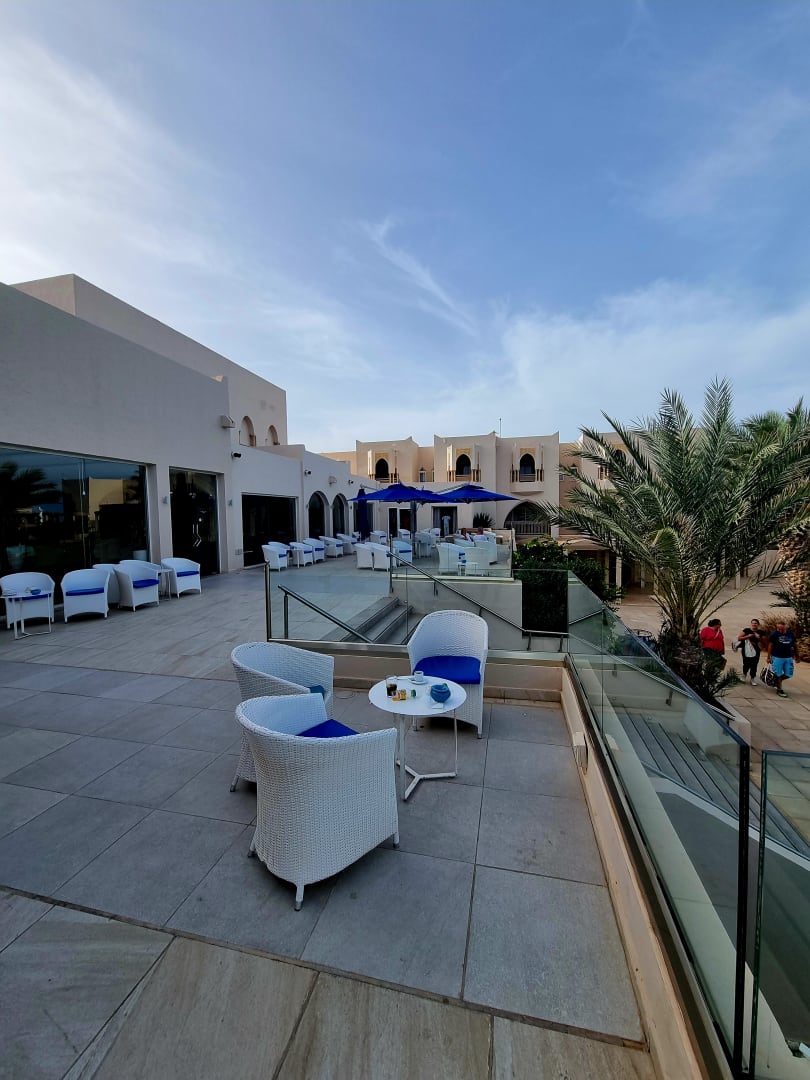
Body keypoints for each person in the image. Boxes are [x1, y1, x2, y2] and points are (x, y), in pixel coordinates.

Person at [767, 620, 799, 699]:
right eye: (778, 629)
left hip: (788, 657)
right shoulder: (774, 634)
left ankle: (777, 681)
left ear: (786, 627)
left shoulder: (791, 634)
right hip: (777, 657)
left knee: (789, 674)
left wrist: (797, 656)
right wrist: (768, 657)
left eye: (782, 629)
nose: (780, 631)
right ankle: (779, 689)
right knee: (778, 674)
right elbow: (770, 645)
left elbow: (795, 645)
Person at [736, 618, 765, 687]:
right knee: (746, 662)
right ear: (751, 624)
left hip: (756, 650)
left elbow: (764, 642)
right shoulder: (747, 630)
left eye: (755, 623)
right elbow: (739, 638)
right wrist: (747, 636)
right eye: (753, 623)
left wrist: (759, 638)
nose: (754, 624)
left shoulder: (760, 632)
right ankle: (744, 674)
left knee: (754, 663)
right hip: (746, 649)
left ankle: (752, 678)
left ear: (758, 624)